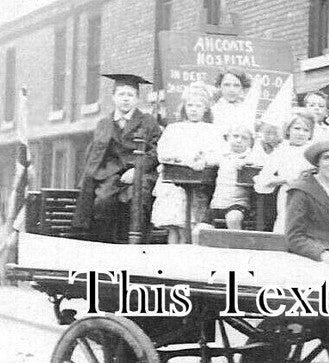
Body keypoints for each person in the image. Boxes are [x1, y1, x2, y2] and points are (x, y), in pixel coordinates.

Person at [72, 73, 162, 244]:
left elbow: (156, 151)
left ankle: (136, 247)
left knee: (137, 201)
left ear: (137, 99)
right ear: (113, 97)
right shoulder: (104, 123)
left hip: (141, 174)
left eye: (130, 95)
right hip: (111, 175)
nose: (125, 99)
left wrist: (137, 169)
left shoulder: (148, 122)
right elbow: (95, 157)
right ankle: (106, 246)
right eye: (121, 94)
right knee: (103, 202)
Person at [151, 85, 225, 243]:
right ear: (184, 107)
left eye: (198, 106)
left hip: (199, 182)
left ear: (205, 109)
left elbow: (219, 154)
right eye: (190, 105)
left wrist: (204, 160)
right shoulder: (174, 129)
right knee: (174, 225)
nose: (194, 109)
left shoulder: (212, 130)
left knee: (189, 226)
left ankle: (187, 253)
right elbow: (163, 152)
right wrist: (185, 160)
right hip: (173, 181)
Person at [254, 111, 316, 232]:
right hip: (288, 193)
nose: (301, 133)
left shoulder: (313, 151)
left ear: (310, 134)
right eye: (297, 128)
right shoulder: (281, 151)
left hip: (311, 195)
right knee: (285, 223)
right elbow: (263, 179)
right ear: (288, 130)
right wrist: (286, 179)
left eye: (306, 130)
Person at [203, 123, 258, 232]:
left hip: (238, 204)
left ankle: (237, 247)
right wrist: (198, 159)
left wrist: (246, 164)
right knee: (199, 231)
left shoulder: (251, 156)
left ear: (251, 142)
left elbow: (259, 164)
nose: (239, 140)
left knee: (233, 219)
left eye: (244, 138)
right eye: (235, 136)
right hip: (217, 204)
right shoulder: (223, 155)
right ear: (228, 138)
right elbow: (206, 161)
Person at [211, 69, 255, 134]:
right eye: (227, 85)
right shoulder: (213, 110)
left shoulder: (246, 110)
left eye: (236, 86)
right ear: (219, 86)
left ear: (242, 88)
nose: (231, 90)